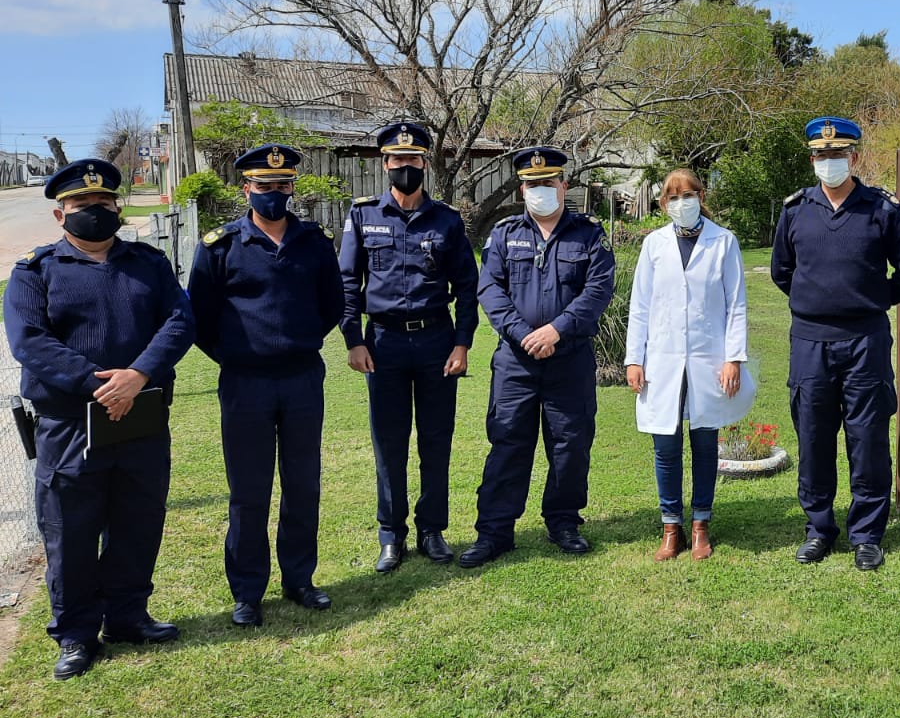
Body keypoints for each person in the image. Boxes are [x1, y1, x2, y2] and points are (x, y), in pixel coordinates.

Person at [4, 159, 195, 680]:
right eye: (81, 206)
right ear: (59, 214)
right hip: (71, 423)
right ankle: (75, 634)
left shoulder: (148, 264)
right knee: (70, 531)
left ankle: (128, 617)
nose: (95, 212)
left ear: (116, 206)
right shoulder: (34, 271)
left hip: (142, 415)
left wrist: (137, 376)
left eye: (103, 203)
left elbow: (179, 321)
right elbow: (30, 343)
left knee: (139, 519)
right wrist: (100, 385)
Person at [187, 144, 343, 626]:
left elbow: (332, 304)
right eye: (264, 186)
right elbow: (199, 317)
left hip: (300, 381)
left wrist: (296, 342)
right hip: (245, 384)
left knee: (303, 484)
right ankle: (248, 591)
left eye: (282, 186)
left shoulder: (314, 241)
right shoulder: (220, 246)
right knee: (249, 490)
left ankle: (299, 579)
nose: (274, 194)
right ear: (246, 189)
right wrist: (240, 354)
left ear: (292, 188)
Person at [770, 117, 900, 570]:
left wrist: (871, 298)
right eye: (821, 155)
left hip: (865, 343)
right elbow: (783, 271)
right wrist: (816, 301)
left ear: (853, 157)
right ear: (812, 159)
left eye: (837, 154)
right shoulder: (795, 210)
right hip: (811, 345)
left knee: (868, 440)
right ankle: (819, 529)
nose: (828, 162)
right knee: (814, 440)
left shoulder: (881, 208)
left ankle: (867, 535)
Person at [461, 146, 616, 567]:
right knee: (508, 442)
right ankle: (495, 532)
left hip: (569, 358)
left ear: (564, 185)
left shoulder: (588, 234)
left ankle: (563, 521)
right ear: (522, 188)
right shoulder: (504, 232)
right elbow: (489, 289)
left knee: (570, 444)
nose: (540, 190)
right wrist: (524, 334)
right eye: (532, 184)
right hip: (516, 361)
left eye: (548, 182)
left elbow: (598, 290)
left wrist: (556, 330)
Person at [340, 122, 478, 572]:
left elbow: (467, 287)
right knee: (389, 442)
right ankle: (390, 534)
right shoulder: (363, 216)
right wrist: (353, 339)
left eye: (413, 160)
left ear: (424, 164)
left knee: (436, 441)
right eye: (397, 161)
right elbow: (346, 281)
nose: (405, 167)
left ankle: (432, 529)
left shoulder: (448, 221)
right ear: (385, 164)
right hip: (383, 344)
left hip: (437, 341)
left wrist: (462, 344)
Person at [625, 169, 756, 561]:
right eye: (672, 196)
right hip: (661, 359)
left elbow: (737, 304)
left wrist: (733, 357)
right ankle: (671, 526)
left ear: (701, 195)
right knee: (665, 443)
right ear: (663, 203)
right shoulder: (654, 245)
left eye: (688, 194)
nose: (681, 202)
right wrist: (634, 358)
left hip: (708, 356)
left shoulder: (723, 241)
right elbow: (641, 305)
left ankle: (700, 523)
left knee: (703, 441)